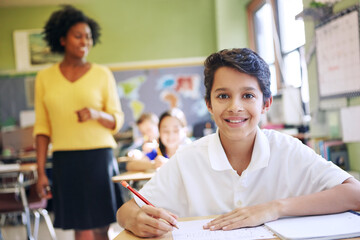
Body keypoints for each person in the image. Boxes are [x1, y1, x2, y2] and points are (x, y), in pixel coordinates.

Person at [116, 48, 360, 238]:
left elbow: (355, 194)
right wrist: (135, 220)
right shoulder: (188, 158)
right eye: (223, 96)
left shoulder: (287, 149)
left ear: (265, 103)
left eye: (248, 95)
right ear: (209, 104)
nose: (235, 107)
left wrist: (274, 208)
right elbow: (125, 211)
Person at [34, 5, 124, 240]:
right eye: (78, 35)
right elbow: (42, 129)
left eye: (89, 36)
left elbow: (117, 119)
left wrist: (96, 114)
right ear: (62, 39)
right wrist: (41, 171)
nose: (85, 41)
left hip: (98, 156)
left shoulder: (102, 74)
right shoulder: (44, 78)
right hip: (65, 158)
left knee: (102, 226)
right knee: (80, 226)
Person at [125, 108, 190, 171]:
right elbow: (130, 166)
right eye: (165, 130)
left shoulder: (191, 149)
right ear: (160, 132)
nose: (170, 135)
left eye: (176, 130)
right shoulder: (157, 148)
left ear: (185, 131)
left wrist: (168, 163)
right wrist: (154, 164)